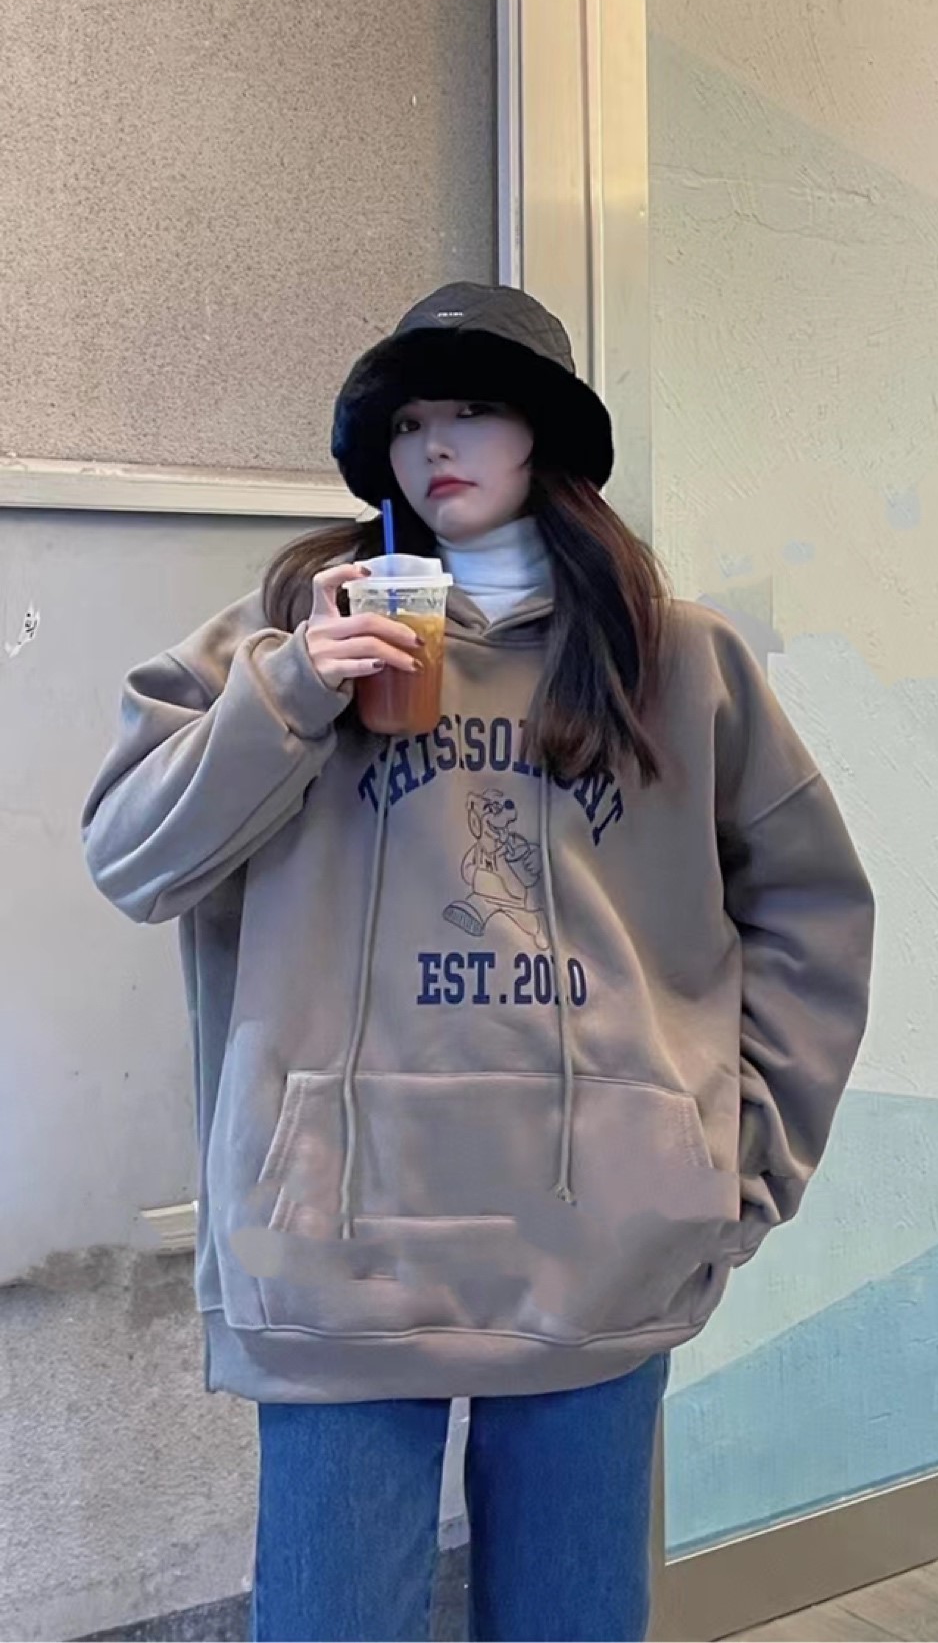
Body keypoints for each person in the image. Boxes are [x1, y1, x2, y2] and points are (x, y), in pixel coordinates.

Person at [83, 284, 875, 1643]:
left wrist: (738, 1160)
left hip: (601, 1233)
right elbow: (134, 861)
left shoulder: (676, 659)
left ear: (544, 435)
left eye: (474, 410)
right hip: (335, 1240)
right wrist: (295, 688)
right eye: (408, 421)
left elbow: (813, 910)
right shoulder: (281, 632)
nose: (435, 445)